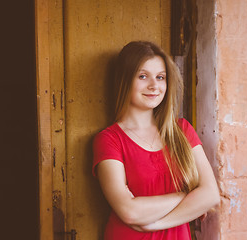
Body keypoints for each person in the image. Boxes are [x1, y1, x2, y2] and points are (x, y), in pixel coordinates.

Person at [93, 41, 220, 240]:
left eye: (160, 77)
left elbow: (211, 195)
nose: (154, 86)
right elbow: (129, 211)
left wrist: (155, 224)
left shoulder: (182, 130)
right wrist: (188, 196)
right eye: (143, 76)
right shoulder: (109, 139)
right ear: (124, 80)